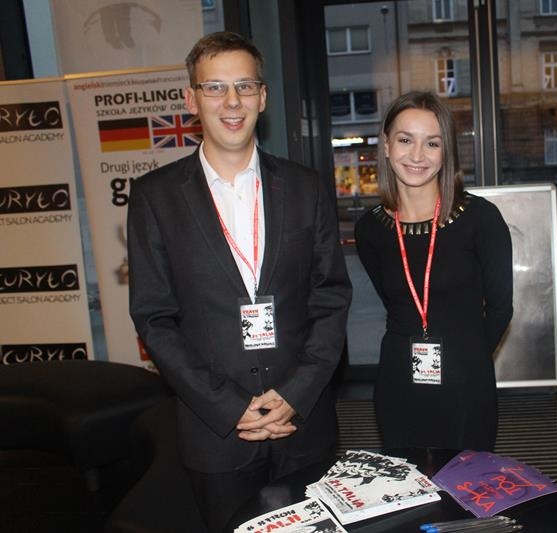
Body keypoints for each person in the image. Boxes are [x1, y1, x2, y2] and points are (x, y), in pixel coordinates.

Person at [127, 31, 351, 532]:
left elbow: (331, 299)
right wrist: (230, 407)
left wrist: (295, 393)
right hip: (217, 436)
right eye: (215, 87)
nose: (232, 101)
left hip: (304, 424)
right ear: (191, 99)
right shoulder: (154, 198)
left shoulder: (306, 188)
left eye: (245, 86)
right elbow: (155, 318)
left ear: (262, 97)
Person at [355, 91, 513, 451]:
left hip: (467, 384)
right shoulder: (370, 229)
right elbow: (395, 304)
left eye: (432, 143)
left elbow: (501, 308)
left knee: (467, 482)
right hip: (398, 381)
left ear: (446, 153)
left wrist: (468, 358)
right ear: (386, 145)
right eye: (405, 140)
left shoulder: (480, 219)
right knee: (407, 482)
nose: (417, 155)